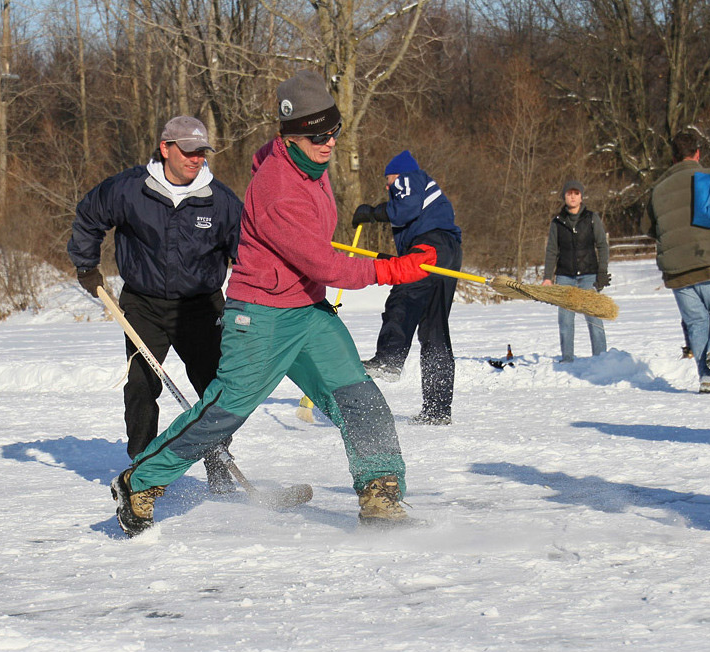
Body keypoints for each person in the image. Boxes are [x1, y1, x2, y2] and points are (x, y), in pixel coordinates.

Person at [108, 70, 438, 536]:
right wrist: (393, 270)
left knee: (358, 396)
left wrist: (389, 258)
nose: (329, 142)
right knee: (225, 411)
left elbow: (315, 255)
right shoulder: (278, 186)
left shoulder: (312, 169)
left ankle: (380, 493)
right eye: (317, 135)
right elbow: (323, 263)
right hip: (261, 316)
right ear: (291, 136)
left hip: (307, 311)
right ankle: (139, 481)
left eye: (334, 131)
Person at [67, 115, 243, 493]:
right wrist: (86, 266)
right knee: (142, 385)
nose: (196, 159)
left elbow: (247, 254)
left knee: (214, 388)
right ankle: (144, 468)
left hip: (202, 306)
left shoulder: (221, 201)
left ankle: (218, 461)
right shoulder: (130, 189)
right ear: (166, 148)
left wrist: (254, 299)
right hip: (143, 303)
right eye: (188, 151)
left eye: (202, 152)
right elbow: (89, 216)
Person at [354, 151, 463, 425]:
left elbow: (405, 208)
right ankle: (437, 411)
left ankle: (389, 358)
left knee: (403, 297)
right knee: (434, 330)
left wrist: (373, 212)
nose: (387, 185)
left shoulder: (408, 178)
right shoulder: (427, 191)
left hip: (430, 247)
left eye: (387, 179)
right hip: (448, 251)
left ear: (397, 174)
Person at [643, 132, 710, 394]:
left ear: (673, 158)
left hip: (677, 269)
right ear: (697, 153)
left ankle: (706, 380)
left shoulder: (658, 189)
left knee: (697, 323)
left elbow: (647, 227)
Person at [542, 179, 609, 360]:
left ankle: (601, 358)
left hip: (589, 275)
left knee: (594, 318)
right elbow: (552, 251)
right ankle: (567, 359)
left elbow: (602, 246)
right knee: (565, 319)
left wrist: (602, 272)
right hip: (565, 276)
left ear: (581, 196)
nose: (572, 197)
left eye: (576, 193)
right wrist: (548, 277)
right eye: (569, 194)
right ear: (564, 196)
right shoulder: (557, 222)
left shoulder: (592, 218)